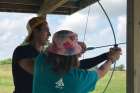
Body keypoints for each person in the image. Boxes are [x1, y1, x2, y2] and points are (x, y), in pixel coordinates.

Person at [33, 30, 122, 93]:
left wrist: (105, 56)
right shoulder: (76, 80)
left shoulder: (41, 61)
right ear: (71, 56)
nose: (80, 54)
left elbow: (79, 64)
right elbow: (101, 72)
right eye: (77, 53)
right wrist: (111, 59)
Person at [12, 16, 51, 93]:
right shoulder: (22, 51)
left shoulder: (43, 54)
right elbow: (39, 71)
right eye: (46, 30)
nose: (49, 34)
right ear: (36, 31)